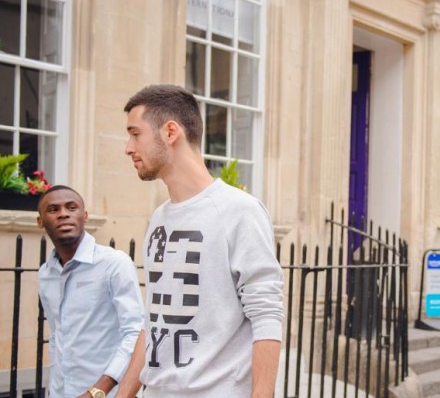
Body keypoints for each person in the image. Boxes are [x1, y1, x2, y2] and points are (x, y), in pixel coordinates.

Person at [117, 85, 284, 398]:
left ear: (170, 132)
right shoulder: (159, 218)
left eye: (135, 134)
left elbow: (266, 315)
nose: (128, 147)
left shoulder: (240, 211)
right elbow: (153, 320)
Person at [37, 185, 144, 398]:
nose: (63, 214)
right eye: (53, 209)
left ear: (84, 215)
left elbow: (136, 332)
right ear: (40, 221)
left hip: (110, 393)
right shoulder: (46, 273)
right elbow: (57, 336)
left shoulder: (114, 263)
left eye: (71, 207)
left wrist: (99, 390)